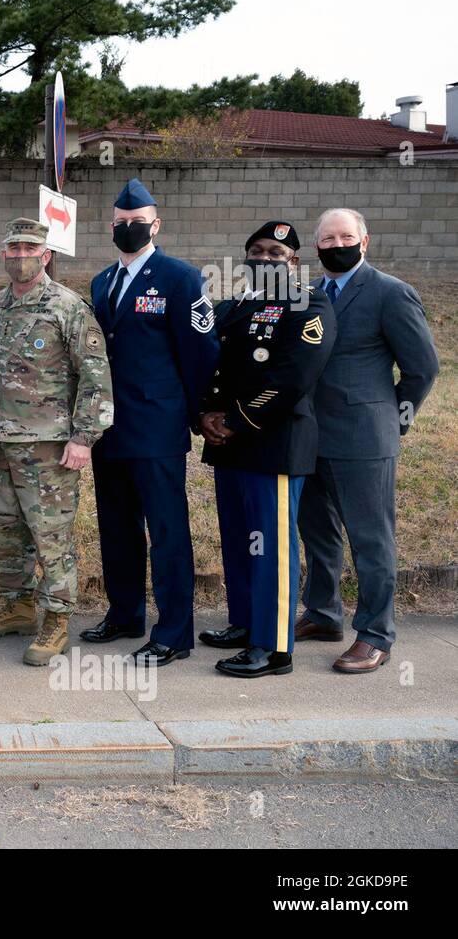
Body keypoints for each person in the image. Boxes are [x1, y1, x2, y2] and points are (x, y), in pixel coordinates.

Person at [79, 178, 219, 667]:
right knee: (115, 527)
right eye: (120, 224)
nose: (128, 230)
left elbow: (201, 353)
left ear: (155, 225)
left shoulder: (181, 278)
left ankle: (175, 632)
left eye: (137, 223)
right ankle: (124, 613)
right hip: (108, 429)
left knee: (167, 531)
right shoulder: (101, 281)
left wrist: (197, 410)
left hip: (157, 426)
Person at [297, 208, 440, 673]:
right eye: (327, 239)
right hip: (310, 437)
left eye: (345, 237)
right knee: (317, 535)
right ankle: (323, 614)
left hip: (364, 439)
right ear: (316, 247)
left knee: (371, 540)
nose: (336, 245)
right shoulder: (310, 294)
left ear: (365, 240)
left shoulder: (390, 293)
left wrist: (392, 417)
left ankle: (376, 634)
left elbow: (423, 368)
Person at [197, 221, 336, 677]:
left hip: (273, 442)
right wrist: (207, 415)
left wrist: (235, 421)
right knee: (240, 540)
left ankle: (273, 646)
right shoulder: (235, 306)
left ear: (293, 262)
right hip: (231, 445)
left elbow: (293, 378)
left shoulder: (310, 304)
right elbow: (215, 367)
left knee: (270, 546)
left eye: (276, 253)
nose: (264, 259)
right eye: (256, 251)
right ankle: (244, 623)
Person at [0, 217, 113, 665]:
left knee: (51, 536)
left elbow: (95, 377)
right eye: (12, 249)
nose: (19, 257)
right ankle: (17, 606)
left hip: (49, 447)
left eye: (28, 249)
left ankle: (56, 620)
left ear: (46, 255)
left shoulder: (67, 307)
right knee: (5, 533)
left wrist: (84, 437)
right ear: (3, 255)